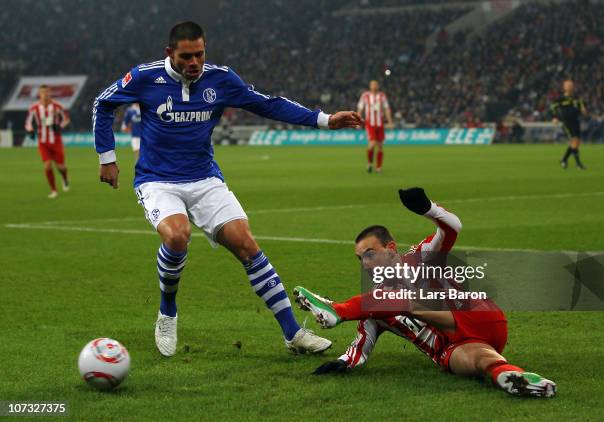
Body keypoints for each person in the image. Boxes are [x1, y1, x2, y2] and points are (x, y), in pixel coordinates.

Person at [93, 21, 363, 357]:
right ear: (170, 54)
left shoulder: (220, 79)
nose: (195, 62)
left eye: (200, 54)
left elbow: (269, 104)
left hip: (205, 179)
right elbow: (103, 104)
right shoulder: (145, 77)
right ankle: (167, 311)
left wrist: (323, 119)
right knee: (177, 236)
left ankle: (293, 334)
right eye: (187, 56)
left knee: (246, 244)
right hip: (157, 180)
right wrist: (107, 157)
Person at [294, 187, 557, 398]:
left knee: (394, 300)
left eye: (370, 254)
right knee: (480, 362)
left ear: (391, 248)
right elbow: (361, 348)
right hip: (456, 346)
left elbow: (452, 227)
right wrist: (343, 363)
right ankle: (511, 375)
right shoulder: (375, 305)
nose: (365, 264)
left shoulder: (420, 256)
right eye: (360, 258)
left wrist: (427, 208)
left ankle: (337, 309)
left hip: (474, 314)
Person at [25, 85, 71, 198]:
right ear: (39, 94)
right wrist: (30, 131)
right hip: (43, 141)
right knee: (47, 166)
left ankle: (65, 179)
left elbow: (66, 119)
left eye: (47, 92)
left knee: (61, 167)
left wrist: (60, 126)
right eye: (42, 92)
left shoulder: (57, 106)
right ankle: (54, 190)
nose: (45, 95)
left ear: (50, 93)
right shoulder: (34, 108)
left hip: (56, 140)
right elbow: (28, 122)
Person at [357, 80, 392, 173]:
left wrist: (390, 122)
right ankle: (369, 163)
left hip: (380, 124)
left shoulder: (382, 96)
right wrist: (357, 121)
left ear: (378, 86)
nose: (374, 86)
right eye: (373, 84)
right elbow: (360, 108)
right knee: (372, 144)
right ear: (370, 86)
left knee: (380, 146)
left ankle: (378, 167)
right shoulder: (365, 95)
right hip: (370, 124)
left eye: (376, 84)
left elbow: (386, 109)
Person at [551, 80, 587, 169]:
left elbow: (582, 107)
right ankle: (578, 164)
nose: (570, 86)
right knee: (574, 140)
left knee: (576, 143)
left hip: (576, 121)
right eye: (568, 85)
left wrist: (583, 111)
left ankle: (564, 159)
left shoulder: (577, 98)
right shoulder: (560, 99)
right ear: (564, 87)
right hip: (567, 122)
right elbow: (553, 108)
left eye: (571, 85)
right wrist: (555, 117)